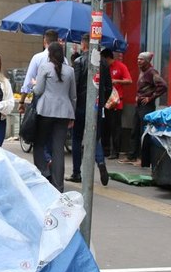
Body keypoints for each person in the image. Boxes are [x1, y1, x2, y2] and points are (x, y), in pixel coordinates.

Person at [19, 29, 68, 165]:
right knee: (54, 135)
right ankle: (51, 158)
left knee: (40, 134)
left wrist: (22, 101)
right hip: (60, 105)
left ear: (44, 41)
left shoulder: (38, 57)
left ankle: (46, 159)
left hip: (41, 102)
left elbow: (28, 81)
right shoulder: (64, 60)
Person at [32, 42, 76, 191]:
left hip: (45, 111)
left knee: (39, 143)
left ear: (49, 53)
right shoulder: (70, 71)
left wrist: (33, 85)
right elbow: (73, 96)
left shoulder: (44, 68)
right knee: (58, 150)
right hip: (64, 113)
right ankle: (58, 186)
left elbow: (38, 91)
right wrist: (72, 116)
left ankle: (44, 172)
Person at [67, 41, 111, 186]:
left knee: (77, 138)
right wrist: (102, 101)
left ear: (84, 45)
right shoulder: (103, 63)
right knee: (95, 137)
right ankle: (100, 162)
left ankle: (76, 172)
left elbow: (74, 86)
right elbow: (109, 86)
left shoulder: (79, 61)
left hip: (80, 106)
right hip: (96, 106)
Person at [125, 51, 167, 164]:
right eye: (138, 59)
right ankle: (131, 156)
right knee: (135, 131)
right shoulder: (143, 72)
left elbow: (163, 86)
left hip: (146, 107)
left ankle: (142, 159)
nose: (138, 61)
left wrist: (150, 98)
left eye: (141, 59)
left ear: (147, 61)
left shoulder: (152, 72)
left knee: (144, 132)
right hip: (139, 106)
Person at [104, 50, 133, 159]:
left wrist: (117, 81)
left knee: (115, 127)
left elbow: (129, 80)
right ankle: (106, 149)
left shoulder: (120, 66)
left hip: (116, 101)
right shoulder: (104, 68)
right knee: (105, 126)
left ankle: (115, 151)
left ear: (108, 58)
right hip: (105, 101)